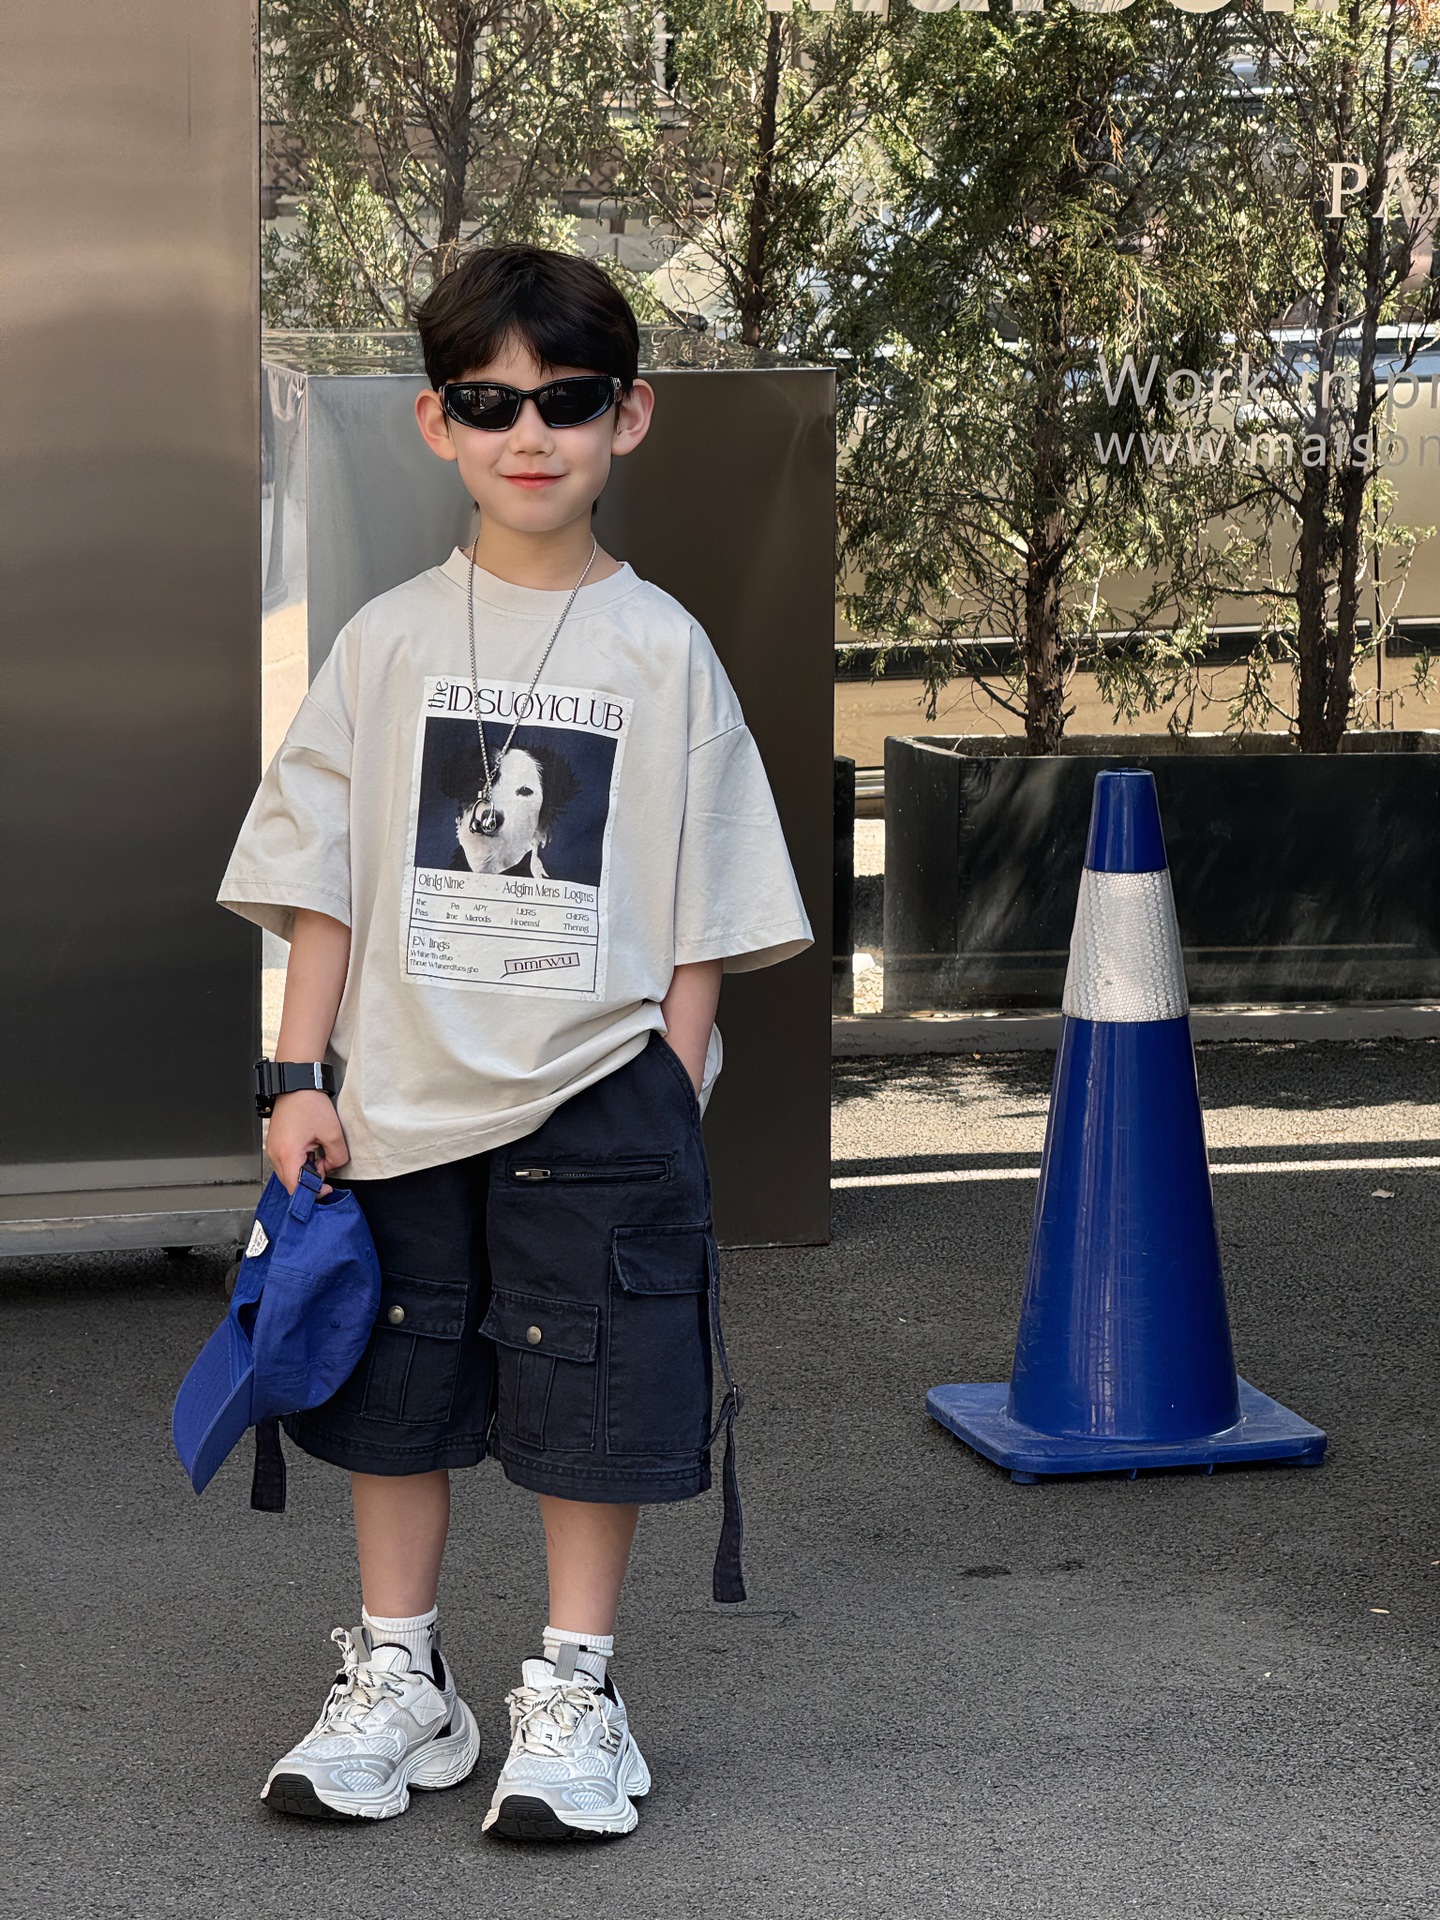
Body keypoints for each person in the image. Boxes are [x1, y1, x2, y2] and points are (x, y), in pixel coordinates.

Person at [215, 243, 813, 1839]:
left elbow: (706, 893)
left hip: (601, 1094)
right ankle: (402, 1679)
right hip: (398, 1099)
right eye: (489, 403)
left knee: (592, 1393)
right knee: (390, 1384)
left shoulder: (663, 647)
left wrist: (673, 1067)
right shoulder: (387, 640)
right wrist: (297, 1076)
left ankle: (577, 1692)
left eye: (567, 400)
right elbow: (325, 876)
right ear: (438, 423)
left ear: (631, 416)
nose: (528, 433)